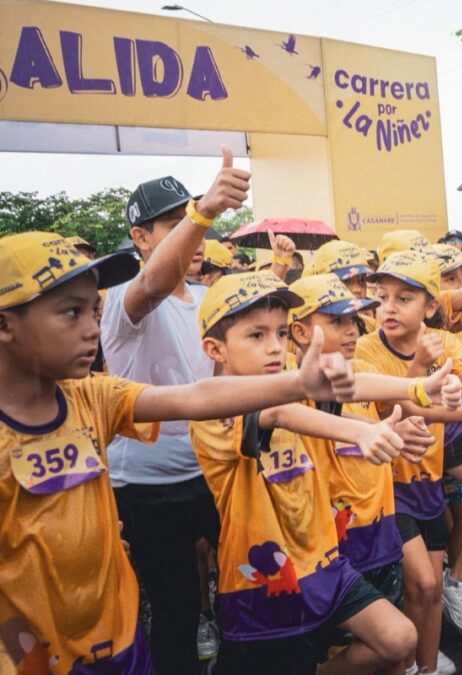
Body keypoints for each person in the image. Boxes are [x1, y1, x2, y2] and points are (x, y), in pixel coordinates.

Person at [0, 232, 369, 674]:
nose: (92, 329)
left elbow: (193, 396)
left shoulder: (92, 397)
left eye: (95, 311)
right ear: (5, 324)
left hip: (121, 641)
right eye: (71, 312)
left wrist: (295, 383)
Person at [191, 271, 449, 674]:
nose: (274, 347)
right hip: (262, 587)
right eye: (256, 336)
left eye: (278, 333)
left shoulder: (290, 380)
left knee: (399, 638)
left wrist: (416, 389)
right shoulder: (213, 410)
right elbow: (279, 410)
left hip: (323, 563)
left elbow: (345, 386)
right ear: (215, 348)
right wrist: (362, 431)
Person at [100, 151, 244, 674]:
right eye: (174, 222)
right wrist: (204, 211)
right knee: (178, 605)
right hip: (149, 485)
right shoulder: (121, 299)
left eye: (192, 218)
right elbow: (156, 284)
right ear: (140, 238)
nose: (192, 231)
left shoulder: (210, 297)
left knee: (247, 579)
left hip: (215, 469)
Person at [354, 251, 462, 674]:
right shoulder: (366, 348)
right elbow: (392, 406)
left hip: (427, 477)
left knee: (431, 593)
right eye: (382, 298)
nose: (389, 308)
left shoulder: (447, 342)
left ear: (431, 307)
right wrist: (422, 372)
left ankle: (425, 667)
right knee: (425, 582)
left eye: (404, 298)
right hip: (389, 487)